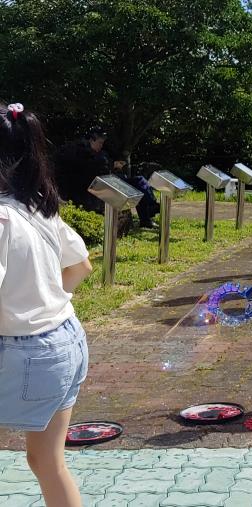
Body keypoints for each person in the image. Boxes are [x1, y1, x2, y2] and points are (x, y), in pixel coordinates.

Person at [1, 102, 93, 505]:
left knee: (46, 460)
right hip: (64, 339)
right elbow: (81, 266)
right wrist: (43, 299)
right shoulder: (36, 204)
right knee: (48, 461)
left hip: (24, 352)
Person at [54, 127, 160, 227]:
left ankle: (150, 209)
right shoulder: (81, 152)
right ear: (91, 140)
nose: (101, 145)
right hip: (96, 186)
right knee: (137, 183)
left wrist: (115, 166)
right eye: (99, 143)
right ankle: (150, 211)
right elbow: (91, 170)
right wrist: (112, 165)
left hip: (110, 180)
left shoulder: (100, 153)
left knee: (140, 181)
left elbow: (104, 167)